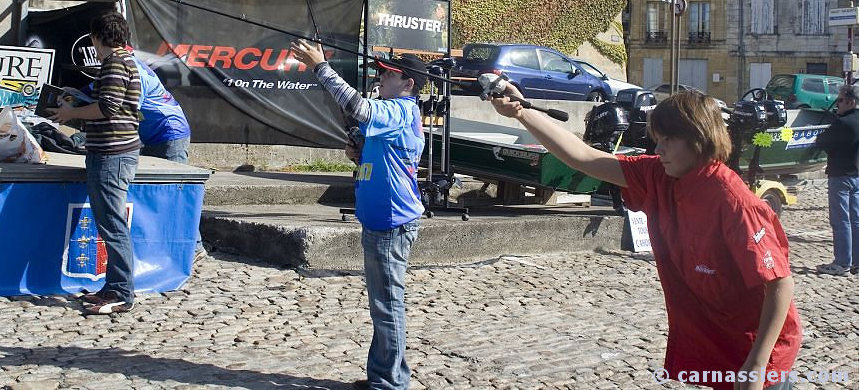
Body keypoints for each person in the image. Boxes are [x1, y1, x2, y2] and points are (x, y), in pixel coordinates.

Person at [489, 87, 801, 390]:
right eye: (657, 139)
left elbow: (779, 284)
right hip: (719, 340)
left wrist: (757, 365)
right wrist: (522, 111)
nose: (658, 149)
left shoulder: (734, 202)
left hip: (759, 351)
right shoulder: (659, 175)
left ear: (698, 138)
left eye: (668, 139)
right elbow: (583, 157)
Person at [290, 39, 426, 390]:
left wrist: (321, 68)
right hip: (380, 221)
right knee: (382, 306)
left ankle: (391, 383)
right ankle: (383, 376)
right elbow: (380, 159)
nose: (380, 77)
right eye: (380, 72)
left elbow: (358, 107)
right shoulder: (392, 114)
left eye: (388, 74)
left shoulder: (401, 110)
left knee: (387, 306)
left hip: (392, 224)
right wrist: (359, 154)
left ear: (408, 83)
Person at [49, 12, 142, 315]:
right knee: (111, 224)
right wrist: (78, 101)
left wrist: (71, 114)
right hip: (113, 153)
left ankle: (120, 292)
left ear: (96, 38)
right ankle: (114, 286)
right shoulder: (128, 63)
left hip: (111, 156)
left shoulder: (115, 63)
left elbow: (108, 107)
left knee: (113, 225)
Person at [814, 83, 859, 276]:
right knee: (856, 220)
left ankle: (842, 262)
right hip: (856, 175)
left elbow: (821, 141)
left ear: (850, 101)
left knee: (840, 221)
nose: (837, 104)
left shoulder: (842, 123)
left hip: (840, 175)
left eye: (840, 100)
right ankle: (856, 262)